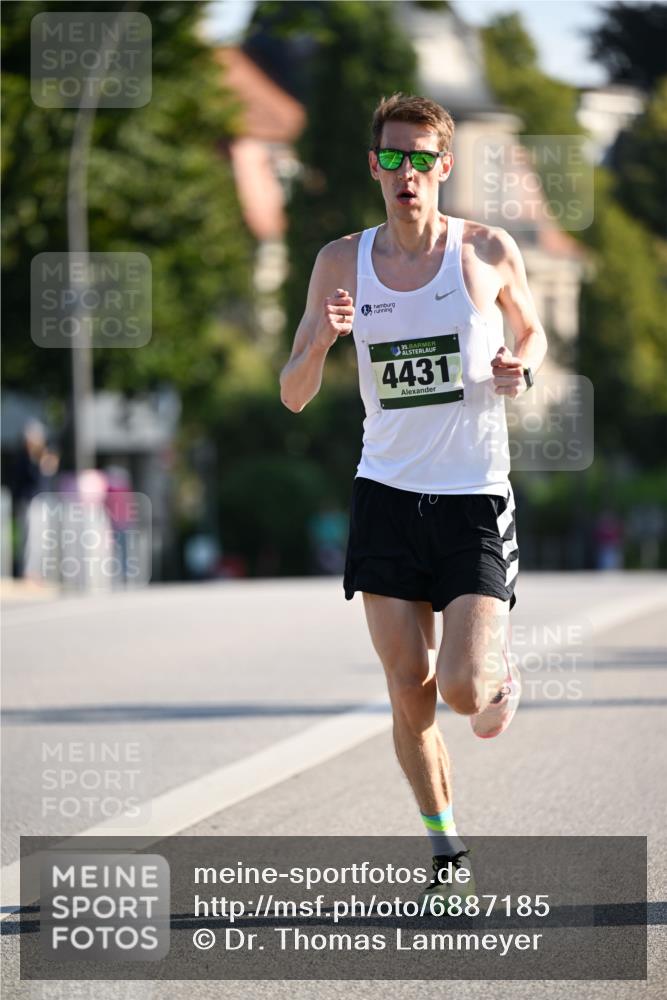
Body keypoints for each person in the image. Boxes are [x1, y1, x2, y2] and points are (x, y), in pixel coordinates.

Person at [279, 93, 547, 907]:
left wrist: (521, 367)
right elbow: (293, 393)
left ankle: (495, 672)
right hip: (386, 496)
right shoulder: (340, 262)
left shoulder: (486, 249)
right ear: (374, 166)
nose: (406, 172)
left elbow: (530, 331)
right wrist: (321, 341)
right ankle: (447, 854)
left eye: (420, 158)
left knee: (460, 691)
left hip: (471, 496)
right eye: (391, 157)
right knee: (408, 687)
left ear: (443, 165)